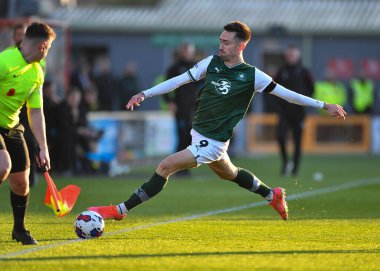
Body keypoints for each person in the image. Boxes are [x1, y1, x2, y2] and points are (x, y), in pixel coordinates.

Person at [88, 21, 346, 222]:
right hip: (200, 136)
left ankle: (121, 209)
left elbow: (289, 95)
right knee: (231, 173)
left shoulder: (252, 76)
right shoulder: (210, 63)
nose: (220, 45)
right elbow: (179, 80)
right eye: (220, 40)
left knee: (165, 166)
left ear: (240, 46)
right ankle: (272, 194)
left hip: (211, 142)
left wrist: (324, 105)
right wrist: (145, 93)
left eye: (226, 42)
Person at [0, 22, 56, 245]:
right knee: (2, 166)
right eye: (49, 48)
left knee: (22, 182)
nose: (48, 52)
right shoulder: (4, 61)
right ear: (43, 46)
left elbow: (36, 112)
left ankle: (19, 230)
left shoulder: (37, 73)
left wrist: (43, 147)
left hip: (13, 128)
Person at [274, 45, 315, 176]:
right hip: (284, 112)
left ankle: (295, 169)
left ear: (298, 55)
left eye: (293, 54)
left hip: (299, 113)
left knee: (298, 141)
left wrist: (303, 101)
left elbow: (311, 89)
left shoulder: (304, 71)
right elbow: (273, 88)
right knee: (280, 136)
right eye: (289, 54)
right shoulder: (281, 71)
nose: (291, 56)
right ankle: (286, 163)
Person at [163, 42, 202, 176]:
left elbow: (204, 86)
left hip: (194, 109)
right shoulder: (174, 68)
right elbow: (165, 86)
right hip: (180, 109)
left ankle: (184, 167)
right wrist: (170, 102)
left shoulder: (198, 67)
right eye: (184, 50)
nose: (186, 53)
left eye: (188, 50)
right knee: (181, 136)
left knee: (191, 138)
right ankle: (178, 168)